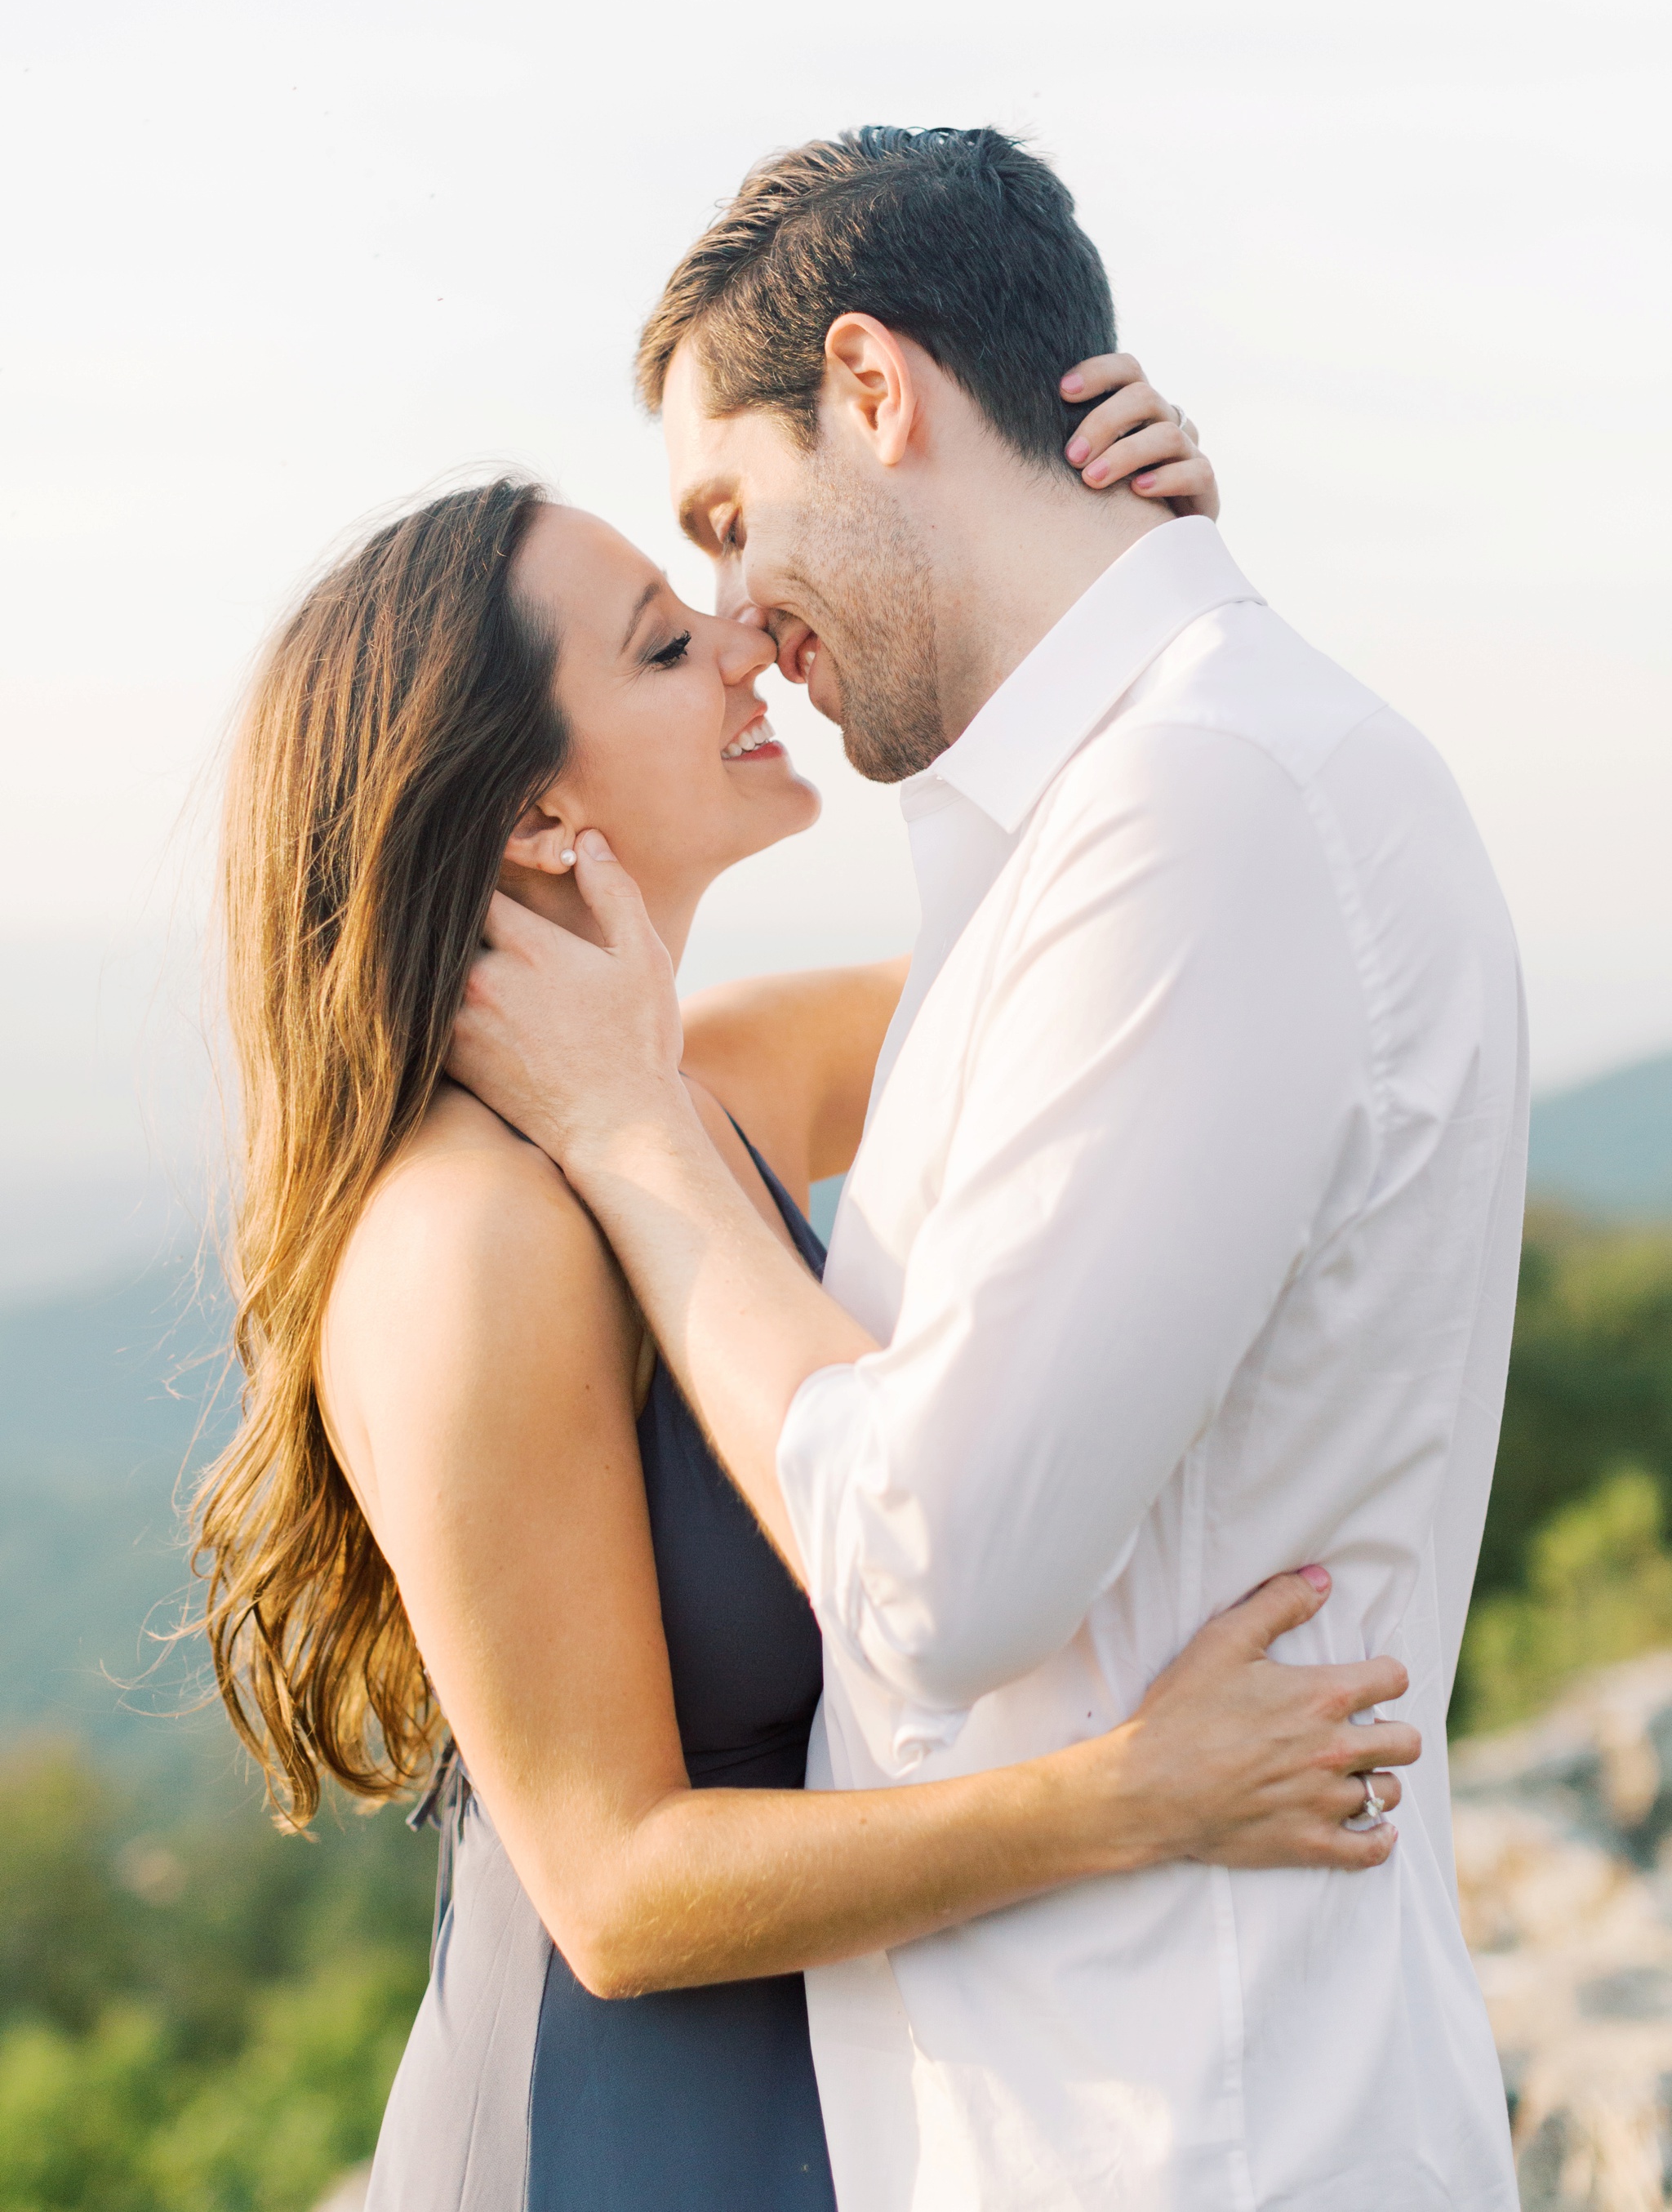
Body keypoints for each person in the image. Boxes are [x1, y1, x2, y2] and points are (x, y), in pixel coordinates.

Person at [447, 127, 1527, 2209]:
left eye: (726, 518)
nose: (740, 624)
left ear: (874, 391)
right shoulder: (1148, 801)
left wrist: (628, 1127)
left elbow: (934, 1574)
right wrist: (1118, 605)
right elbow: (996, 960)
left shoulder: (1200, 810)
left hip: (1197, 2135)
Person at [192, 409, 1416, 2212]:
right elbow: (610, 1895)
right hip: (607, 2144)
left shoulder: (713, 1088)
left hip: (835, 2114)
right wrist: (1131, 1797)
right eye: (667, 647)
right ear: (541, 808)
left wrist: (1128, 573)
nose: (744, 639)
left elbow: (1110, 943)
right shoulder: (470, 1238)